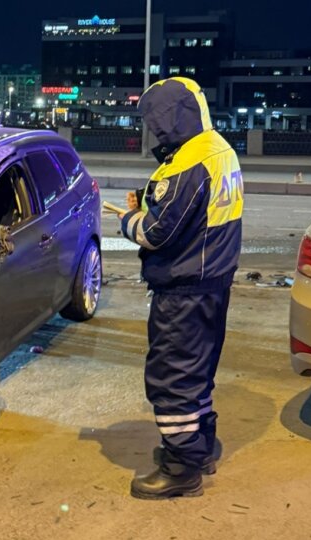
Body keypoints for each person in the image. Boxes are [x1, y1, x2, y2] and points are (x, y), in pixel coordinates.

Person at [118, 77, 243, 499]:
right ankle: (199, 447)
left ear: (169, 116)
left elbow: (156, 232)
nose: (153, 130)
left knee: (172, 375)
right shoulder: (218, 149)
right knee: (197, 371)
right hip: (212, 282)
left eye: (154, 121)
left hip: (184, 290)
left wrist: (128, 220)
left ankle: (181, 468)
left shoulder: (189, 162)